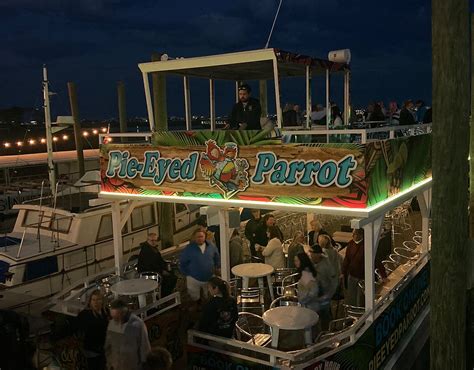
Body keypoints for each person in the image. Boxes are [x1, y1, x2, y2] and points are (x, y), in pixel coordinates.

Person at [341, 229, 388, 307]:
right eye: (352, 234)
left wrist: (383, 276)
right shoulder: (350, 244)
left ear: (360, 235)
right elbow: (347, 259)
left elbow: (377, 261)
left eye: (355, 234)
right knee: (351, 297)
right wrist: (343, 272)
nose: (353, 236)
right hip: (352, 275)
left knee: (361, 299)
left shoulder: (367, 246)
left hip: (363, 277)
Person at [105, 299, 151, 370]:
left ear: (123, 313)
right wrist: (109, 363)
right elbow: (108, 346)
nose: (114, 320)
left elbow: (145, 348)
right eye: (113, 317)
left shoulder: (138, 325)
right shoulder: (112, 324)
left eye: (116, 317)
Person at [179, 228, 220, 303]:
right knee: (194, 298)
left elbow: (216, 257)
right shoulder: (189, 248)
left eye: (201, 236)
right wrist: (187, 274)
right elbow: (182, 262)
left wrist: (217, 267)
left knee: (208, 297)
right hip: (193, 279)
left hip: (208, 278)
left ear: (205, 237)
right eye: (198, 237)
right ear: (194, 237)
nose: (200, 238)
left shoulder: (211, 246)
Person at [77, 290, 109, 370]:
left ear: (102, 301)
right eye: (93, 300)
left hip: (103, 349)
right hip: (92, 350)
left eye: (98, 299)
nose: (95, 302)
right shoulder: (85, 314)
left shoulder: (105, 312)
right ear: (90, 301)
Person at [308, 244, 337, 330]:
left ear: (318, 254)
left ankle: (326, 332)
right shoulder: (311, 262)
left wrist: (330, 294)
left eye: (312, 253)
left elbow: (334, 279)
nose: (310, 255)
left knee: (324, 315)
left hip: (324, 293)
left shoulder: (326, 266)